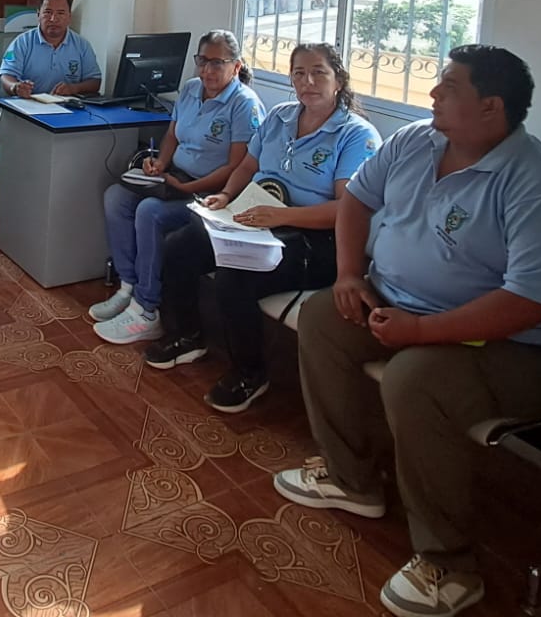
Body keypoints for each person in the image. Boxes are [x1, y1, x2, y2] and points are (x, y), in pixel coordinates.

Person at [274, 45, 541, 617]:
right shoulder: (415, 142)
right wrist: (350, 275)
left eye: (449, 87)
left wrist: (422, 332)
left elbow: (530, 301)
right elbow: (357, 201)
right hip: (403, 305)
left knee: (416, 377)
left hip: (521, 348)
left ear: (491, 106)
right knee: (325, 317)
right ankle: (352, 480)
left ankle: (448, 564)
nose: (432, 94)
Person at [147, 43, 380, 414]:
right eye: (299, 73)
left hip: (314, 239)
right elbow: (248, 166)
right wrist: (225, 196)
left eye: (319, 72)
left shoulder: (356, 135)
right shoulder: (280, 117)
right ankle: (188, 336)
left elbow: (346, 211)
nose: (308, 81)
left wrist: (281, 217)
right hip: (259, 220)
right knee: (181, 244)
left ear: (339, 80)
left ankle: (249, 373)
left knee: (234, 275)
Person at [92, 30, 262, 345]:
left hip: (211, 195)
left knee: (149, 211)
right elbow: (172, 135)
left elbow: (236, 168)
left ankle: (147, 309)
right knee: (116, 197)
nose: (207, 70)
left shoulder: (244, 104)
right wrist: (159, 163)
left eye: (217, 63)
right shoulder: (191, 88)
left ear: (236, 66)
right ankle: (128, 286)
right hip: (176, 178)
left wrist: (188, 187)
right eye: (202, 61)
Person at [0, 0, 102, 98]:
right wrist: (15, 87)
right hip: (28, 104)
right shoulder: (22, 42)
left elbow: (95, 81)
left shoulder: (82, 45)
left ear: (69, 17)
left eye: (60, 13)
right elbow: (7, 75)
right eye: (48, 12)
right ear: (38, 15)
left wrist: (73, 88)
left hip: (66, 105)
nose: (53, 19)